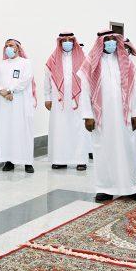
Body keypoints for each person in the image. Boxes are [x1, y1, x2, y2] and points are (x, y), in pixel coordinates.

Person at [79, 31, 136, 202]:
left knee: (127, 150)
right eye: (106, 40)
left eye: (113, 40)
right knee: (103, 151)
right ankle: (105, 188)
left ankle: (131, 187)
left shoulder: (126, 62)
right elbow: (85, 91)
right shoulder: (90, 63)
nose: (110, 43)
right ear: (100, 42)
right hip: (101, 117)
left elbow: (133, 89)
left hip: (124, 116)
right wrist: (87, 115)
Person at [44, 33, 88, 171]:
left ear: (74, 42)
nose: (67, 42)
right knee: (60, 128)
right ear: (60, 42)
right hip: (59, 101)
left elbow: (88, 79)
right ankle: (60, 159)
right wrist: (47, 97)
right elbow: (47, 79)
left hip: (78, 100)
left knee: (78, 129)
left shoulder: (82, 58)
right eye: (64, 40)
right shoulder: (53, 59)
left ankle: (80, 160)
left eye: (70, 40)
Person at [0, 38, 36, 173]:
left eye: (11, 45)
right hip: (4, 104)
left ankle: (27, 163)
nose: (8, 47)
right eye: (6, 45)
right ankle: (8, 161)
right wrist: (2, 91)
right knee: (6, 131)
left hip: (21, 104)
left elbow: (25, 80)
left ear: (17, 48)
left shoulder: (25, 63)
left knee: (22, 131)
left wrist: (10, 90)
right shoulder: (1, 64)